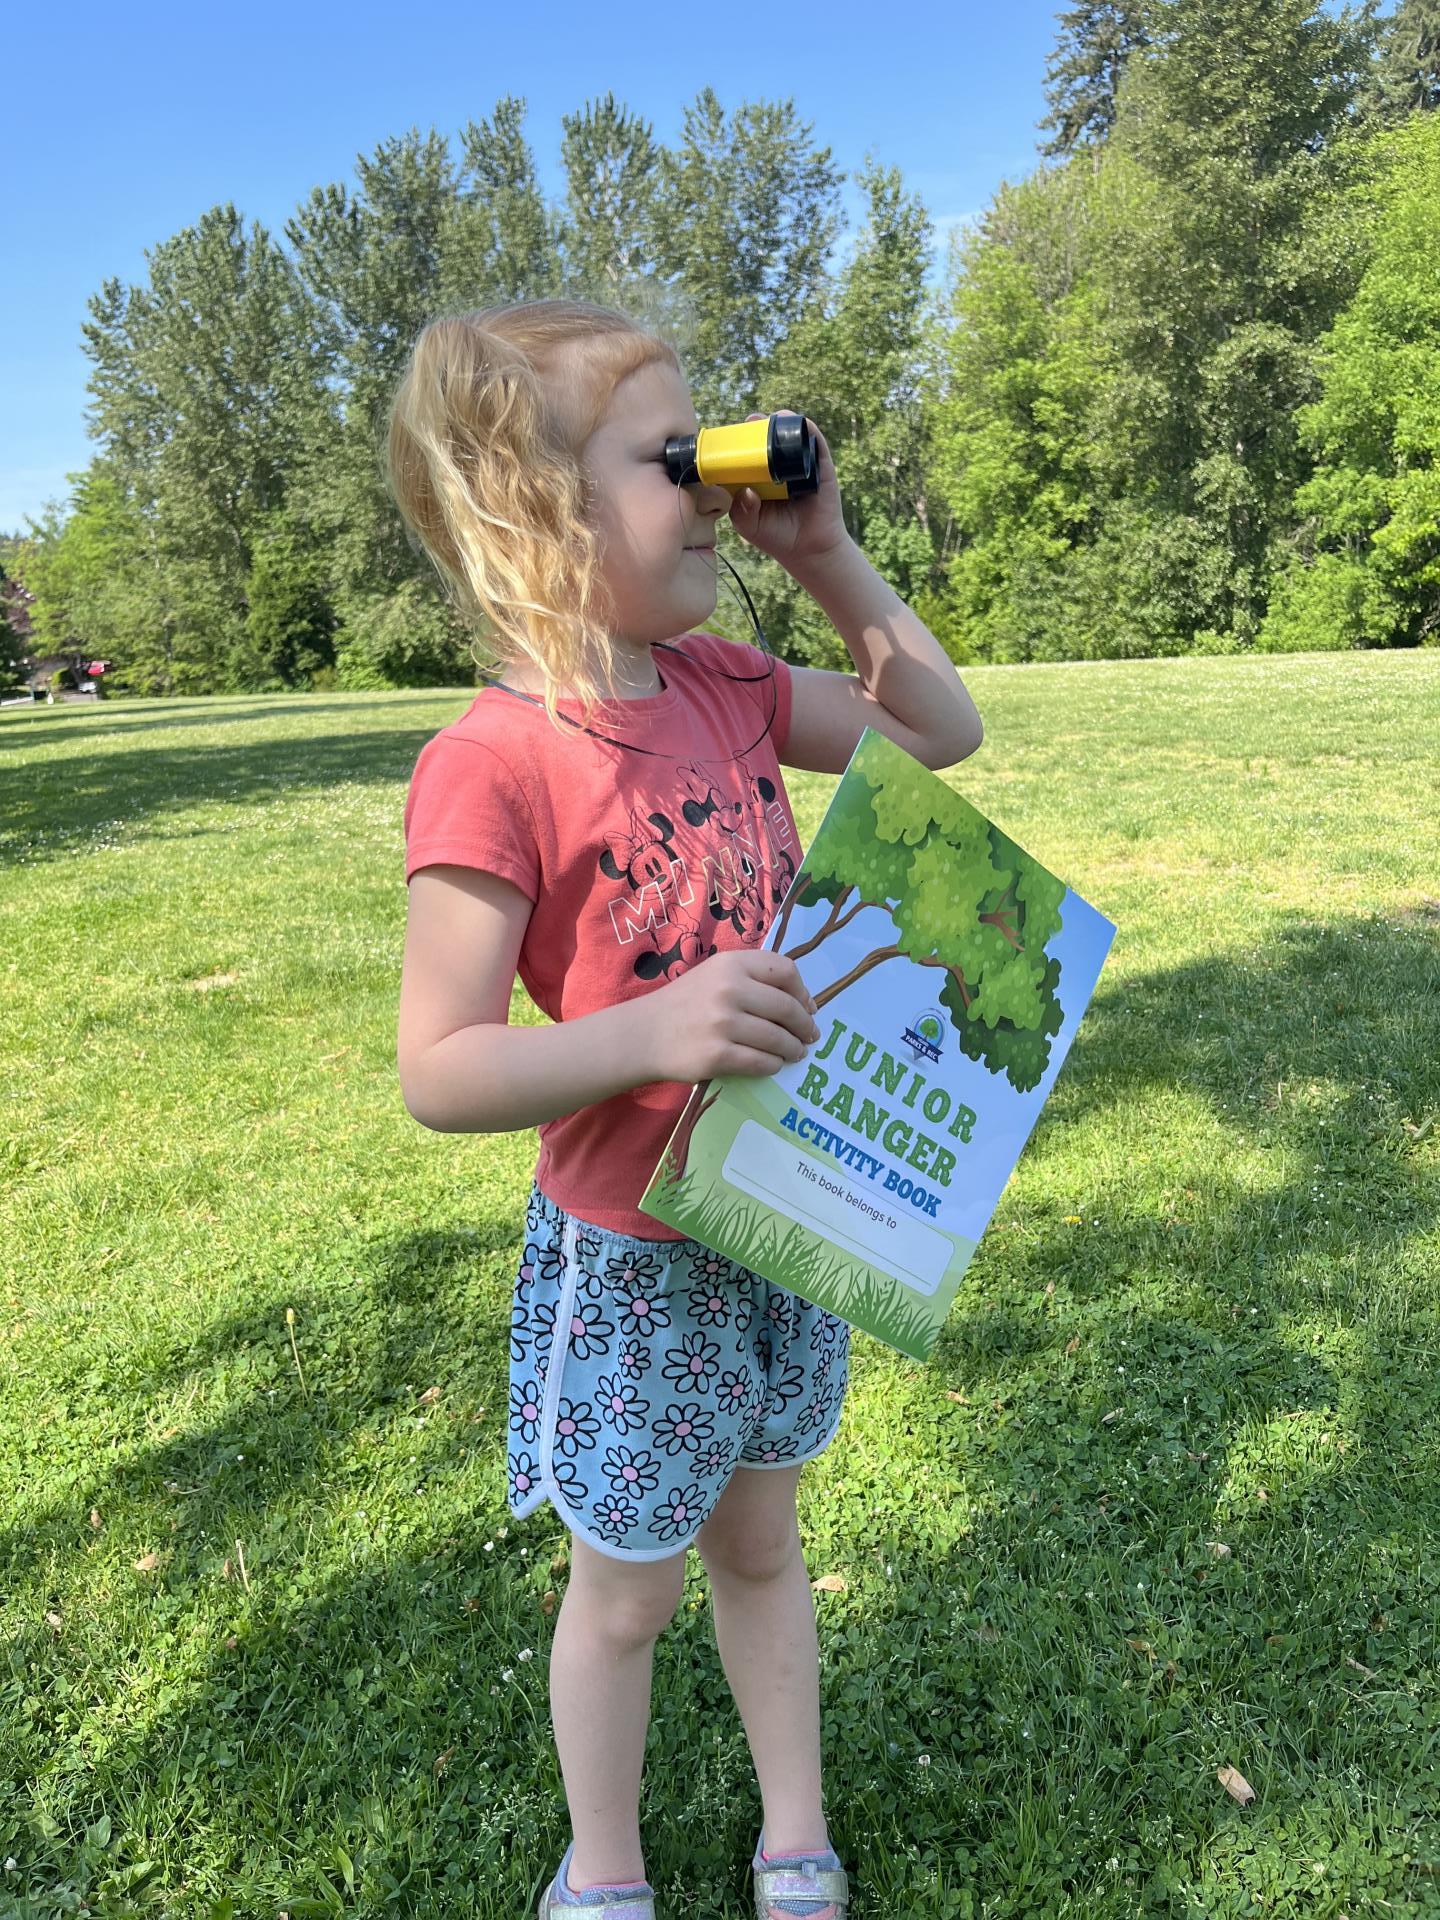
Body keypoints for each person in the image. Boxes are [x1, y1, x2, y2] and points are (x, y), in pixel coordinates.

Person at [389, 298, 983, 1920]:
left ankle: (794, 1829)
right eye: (679, 461)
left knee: (765, 1546)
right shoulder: (496, 761)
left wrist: (828, 555)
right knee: (626, 1594)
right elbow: (438, 1061)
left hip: (780, 1213)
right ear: (532, 508)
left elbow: (940, 734)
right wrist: (650, 1026)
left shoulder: (726, 683)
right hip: (636, 1255)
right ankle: (606, 1864)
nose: (721, 489)